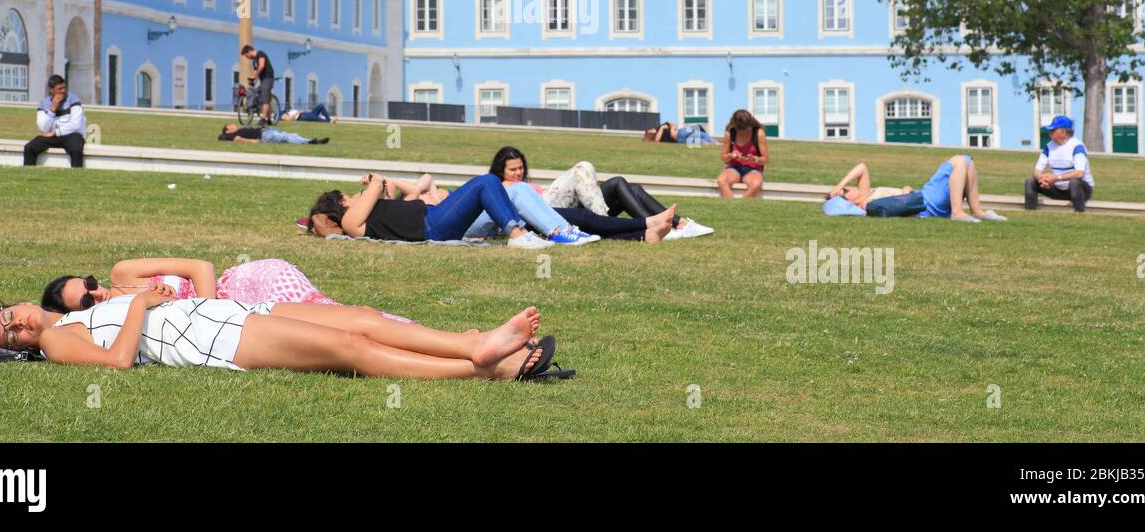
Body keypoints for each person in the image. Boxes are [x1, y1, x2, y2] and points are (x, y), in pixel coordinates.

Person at [0, 290, 571, 381]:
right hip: (210, 344)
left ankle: (472, 342)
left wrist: (130, 299)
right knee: (348, 353)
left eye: (13, 314)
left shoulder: (75, 309)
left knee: (356, 317)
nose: (23, 324)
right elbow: (114, 365)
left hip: (220, 313)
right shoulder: (59, 342)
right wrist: (136, 304)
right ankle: (481, 364)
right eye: (13, 334)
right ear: (21, 346)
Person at [40, 257, 412, 324]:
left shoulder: (123, 272)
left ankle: (408, 330)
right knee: (332, 320)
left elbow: (199, 267)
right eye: (86, 299)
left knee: (329, 311)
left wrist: (207, 310)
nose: (97, 292)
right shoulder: (115, 320)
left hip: (243, 287)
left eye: (89, 284)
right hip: (238, 316)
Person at [484, 147, 714, 241]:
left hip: (564, 206)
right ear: (500, 170)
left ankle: (677, 223)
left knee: (622, 185)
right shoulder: (501, 186)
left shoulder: (524, 183)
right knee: (581, 169)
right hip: (546, 210)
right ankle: (647, 226)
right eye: (512, 169)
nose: (518, 173)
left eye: (520, 168)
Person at [306, 173, 552, 248]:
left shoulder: (363, 215)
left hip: (434, 221)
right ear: (339, 207)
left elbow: (402, 193)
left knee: (487, 186)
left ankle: (519, 232)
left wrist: (380, 187)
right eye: (346, 198)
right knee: (485, 182)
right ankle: (518, 236)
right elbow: (376, 184)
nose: (352, 198)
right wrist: (373, 180)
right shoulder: (350, 221)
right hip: (432, 224)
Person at [826, 157, 1006, 221]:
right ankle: (958, 212)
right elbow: (897, 206)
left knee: (968, 163)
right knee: (960, 160)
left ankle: (977, 212)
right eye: (846, 191)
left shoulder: (867, 193)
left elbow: (862, 167)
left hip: (925, 201)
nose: (848, 188)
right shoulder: (866, 203)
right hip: (925, 200)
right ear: (850, 202)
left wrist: (838, 186)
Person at [1025, 115, 1094, 213]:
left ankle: (1079, 212)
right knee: (1030, 181)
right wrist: (1042, 179)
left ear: (1063, 132)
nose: (1050, 132)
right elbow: (1037, 171)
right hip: (1058, 188)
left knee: (1074, 182)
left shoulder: (1077, 146)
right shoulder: (1049, 147)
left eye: (1053, 130)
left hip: (1081, 189)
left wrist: (1056, 178)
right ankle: (1030, 211)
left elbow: (1080, 173)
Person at [23, 74, 87, 168]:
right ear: (51, 90)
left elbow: (76, 125)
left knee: (76, 150)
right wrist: (52, 109)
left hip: (73, 134)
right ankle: (28, 175)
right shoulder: (44, 103)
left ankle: (76, 177)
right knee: (29, 148)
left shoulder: (73, 99)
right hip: (53, 136)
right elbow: (43, 128)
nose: (63, 91)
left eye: (64, 88)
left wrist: (55, 133)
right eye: (59, 89)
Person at [717, 109, 767, 198]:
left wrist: (755, 159)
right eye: (740, 129)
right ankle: (731, 206)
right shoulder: (730, 133)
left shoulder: (758, 133)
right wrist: (730, 155)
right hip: (734, 168)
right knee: (721, 180)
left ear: (750, 124)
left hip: (753, 169)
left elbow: (765, 160)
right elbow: (723, 157)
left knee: (755, 184)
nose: (743, 131)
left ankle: (741, 205)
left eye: (745, 128)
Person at [240, 44, 276, 125]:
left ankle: (263, 119)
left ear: (249, 52)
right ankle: (269, 119)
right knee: (261, 95)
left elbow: (262, 65)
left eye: (247, 56)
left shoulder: (260, 54)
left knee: (265, 99)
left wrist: (255, 76)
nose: (247, 58)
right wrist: (252, 79)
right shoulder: (254, 61)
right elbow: (256, 71)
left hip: (268, 78)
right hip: (262, 79)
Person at [219, 123, 328, 146]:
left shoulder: (238, 131)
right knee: (285, 137)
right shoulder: (232, 135)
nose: (234, 125)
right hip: (264, 135)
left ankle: (309, 140)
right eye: (231, 125)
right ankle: (309, 142)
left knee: (290, 135)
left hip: (266, 131)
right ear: (227, 130)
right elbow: (238, 139)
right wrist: (255, 141)